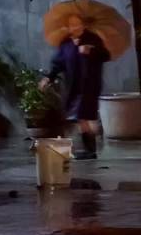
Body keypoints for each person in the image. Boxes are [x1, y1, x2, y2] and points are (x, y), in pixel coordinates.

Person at [39, 14, 109, 160]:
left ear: (83, 25)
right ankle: (88, 147)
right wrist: (48, 78)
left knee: (82, 116)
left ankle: (90, 149)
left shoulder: (92, 39)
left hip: (89, 85)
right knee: (79, 117)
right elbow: (58, 63)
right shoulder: (65, 44)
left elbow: (106, 55)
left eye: (78, 23)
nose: (75, 27)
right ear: (68, 27)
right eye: (72, 24)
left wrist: (91, 51)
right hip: (72, 85)